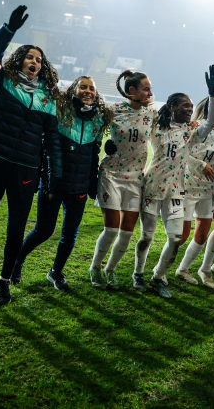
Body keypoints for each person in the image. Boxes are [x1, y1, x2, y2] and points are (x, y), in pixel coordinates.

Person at [0, 7, 64, 306]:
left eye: (39, 60)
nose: (35, 62)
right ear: (20, 60)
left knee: (16, 228)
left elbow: (53, 140)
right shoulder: (3, 79)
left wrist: (55, 175)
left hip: (26, 169)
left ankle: (4, 281)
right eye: (30, 57)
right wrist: (8, 30)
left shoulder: (48, 96)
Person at [12, 77, 113, 291]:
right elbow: (46, 147)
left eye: (92, 88)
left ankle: (55, 272)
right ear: (73, 91)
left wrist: (92, 183)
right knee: (44, 230)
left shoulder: (98, 119)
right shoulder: (60, 111)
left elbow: (94, 155)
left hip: (79, 187)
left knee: (70, 235)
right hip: (53, 183)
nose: (88, 91)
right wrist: (47, 179)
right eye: (83, 87)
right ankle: (17, 261)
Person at [134, 65, 214, 298]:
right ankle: (138, 274)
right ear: (172, 107)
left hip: (176, 191)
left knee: (175, 238)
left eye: (192, 107)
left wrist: (213, 94)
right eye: (185, 106)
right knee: (147, 236)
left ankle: (157, 275)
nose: (190, 110)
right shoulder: (157, 126)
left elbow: (210, 124)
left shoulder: (190, 133)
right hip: (152, 187)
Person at [89, 70, 155, 288]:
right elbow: (94, 134)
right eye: (146, 88)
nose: (150, 92)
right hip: (111, 175)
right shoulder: (113, 110)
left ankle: (111, 270)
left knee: (127, 233)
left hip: (136, 178)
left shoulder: (151, 114)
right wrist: (104, 145)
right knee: (111, 229)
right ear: (132, 91)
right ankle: (95, 268)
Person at [174, 94, 214, 288]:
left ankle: (183, 269)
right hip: (187, 184)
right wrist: (201, 165)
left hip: (208, 189)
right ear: (209, 107)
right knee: (180, 236)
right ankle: (159, 272)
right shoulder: (197, 126)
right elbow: (181, 153)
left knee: (202, 234)